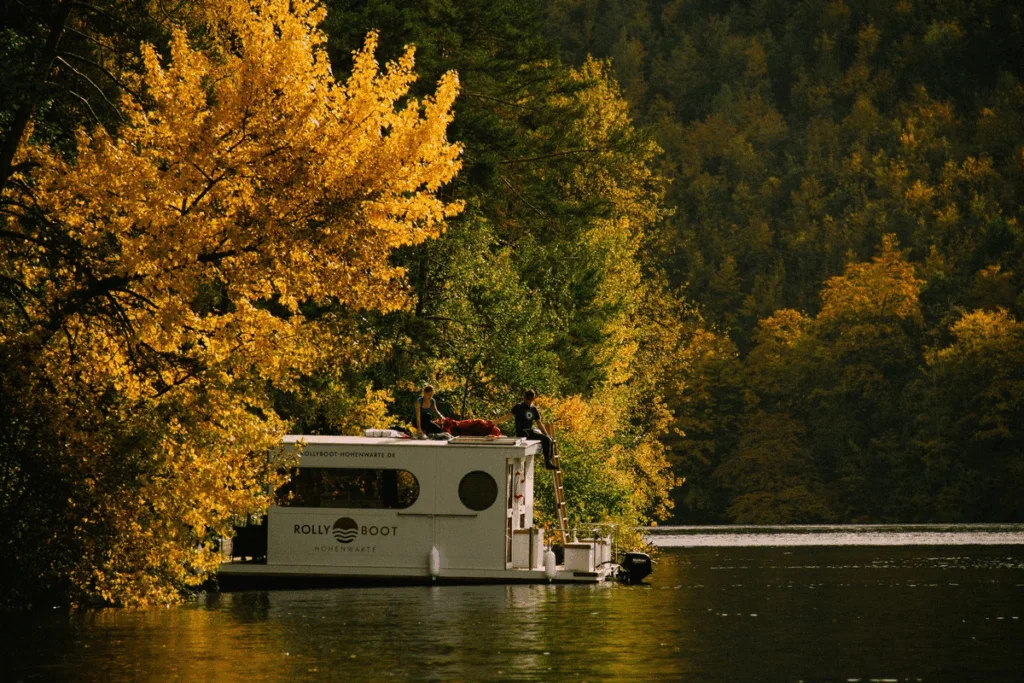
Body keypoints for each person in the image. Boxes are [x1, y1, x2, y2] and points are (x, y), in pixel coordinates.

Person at [495, 390, 555, 469]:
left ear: (533, 399)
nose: (528, 401)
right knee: (546, 439)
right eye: (527, 399)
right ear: (524, 398)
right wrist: (494, 422)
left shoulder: (533, 409)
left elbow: (539, 423)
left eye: (530, 399)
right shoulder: (518, 407)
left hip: (530, 432)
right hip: (522, 433)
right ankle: (548, 462)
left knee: (547, 439)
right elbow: (508, 417)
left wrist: (547, 435)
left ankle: (548, 462)